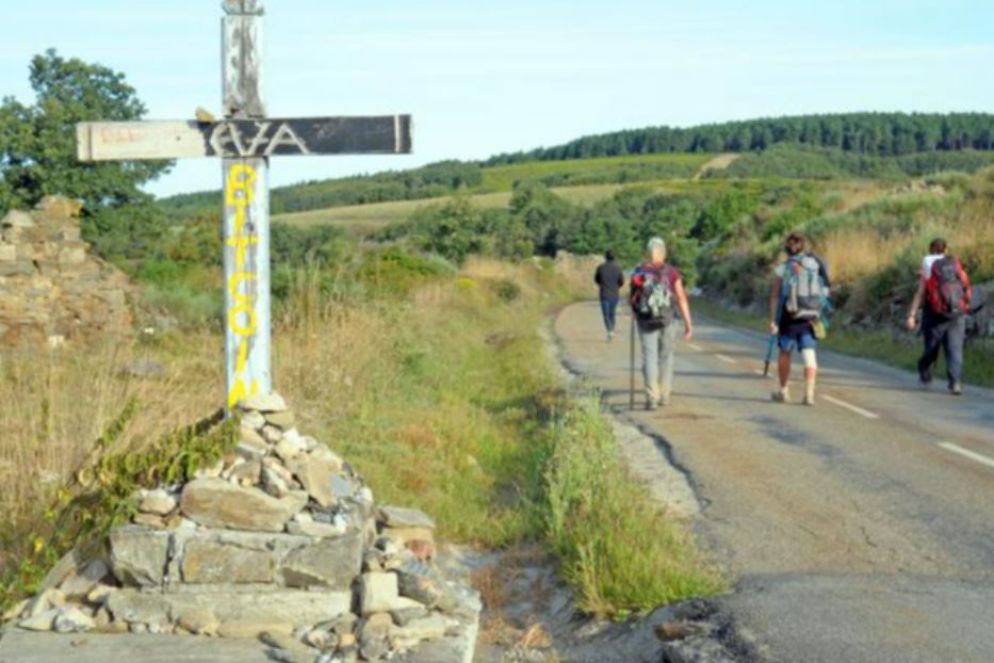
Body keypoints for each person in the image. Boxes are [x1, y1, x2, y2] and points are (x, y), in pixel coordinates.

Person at [629, 237, 693, 410]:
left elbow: (633, 299)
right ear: (663, 253)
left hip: (645, 320)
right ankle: (664, 395)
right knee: (666, 356)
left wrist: (635, 315)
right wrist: (688, 323)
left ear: (647, 253)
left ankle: (652, 398)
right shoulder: (672, 272)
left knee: (649, 357)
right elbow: (681, 298)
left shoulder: (638, 272)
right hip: (668, 320)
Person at [769, 232, 830, 406]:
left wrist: (773, 319)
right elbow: (826, 288)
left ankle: (783, 391)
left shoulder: (784, 267)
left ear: (786, 249)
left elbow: (774, 295)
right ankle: (809, 395)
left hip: (789, 317)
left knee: (784, 352)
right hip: (811, 316)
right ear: (804, 246)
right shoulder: (815, 265)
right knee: (809, 354)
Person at [905, 238, 972, 395]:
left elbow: (920, 293)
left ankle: (926, 375)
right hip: (956, 314)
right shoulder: (955, 264)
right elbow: (966, 289)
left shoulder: (928, 265)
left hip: (934, 313)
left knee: (931, 347)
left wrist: (912, 315)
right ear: (946, 250)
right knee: (955, 349)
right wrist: (964, 306)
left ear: (930, 250)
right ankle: (955, 383)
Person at [594, 250, 625, 340]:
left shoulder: (601, 267)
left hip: (604, 293)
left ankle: (610, 330)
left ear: (605, 257)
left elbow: (596, 279)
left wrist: (602, 284)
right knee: (612, 314)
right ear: (614, 257)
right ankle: (612, 330)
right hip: (615, 294)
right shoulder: (618, 268)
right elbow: (622, 281)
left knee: (606, 315)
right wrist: (616, 286)